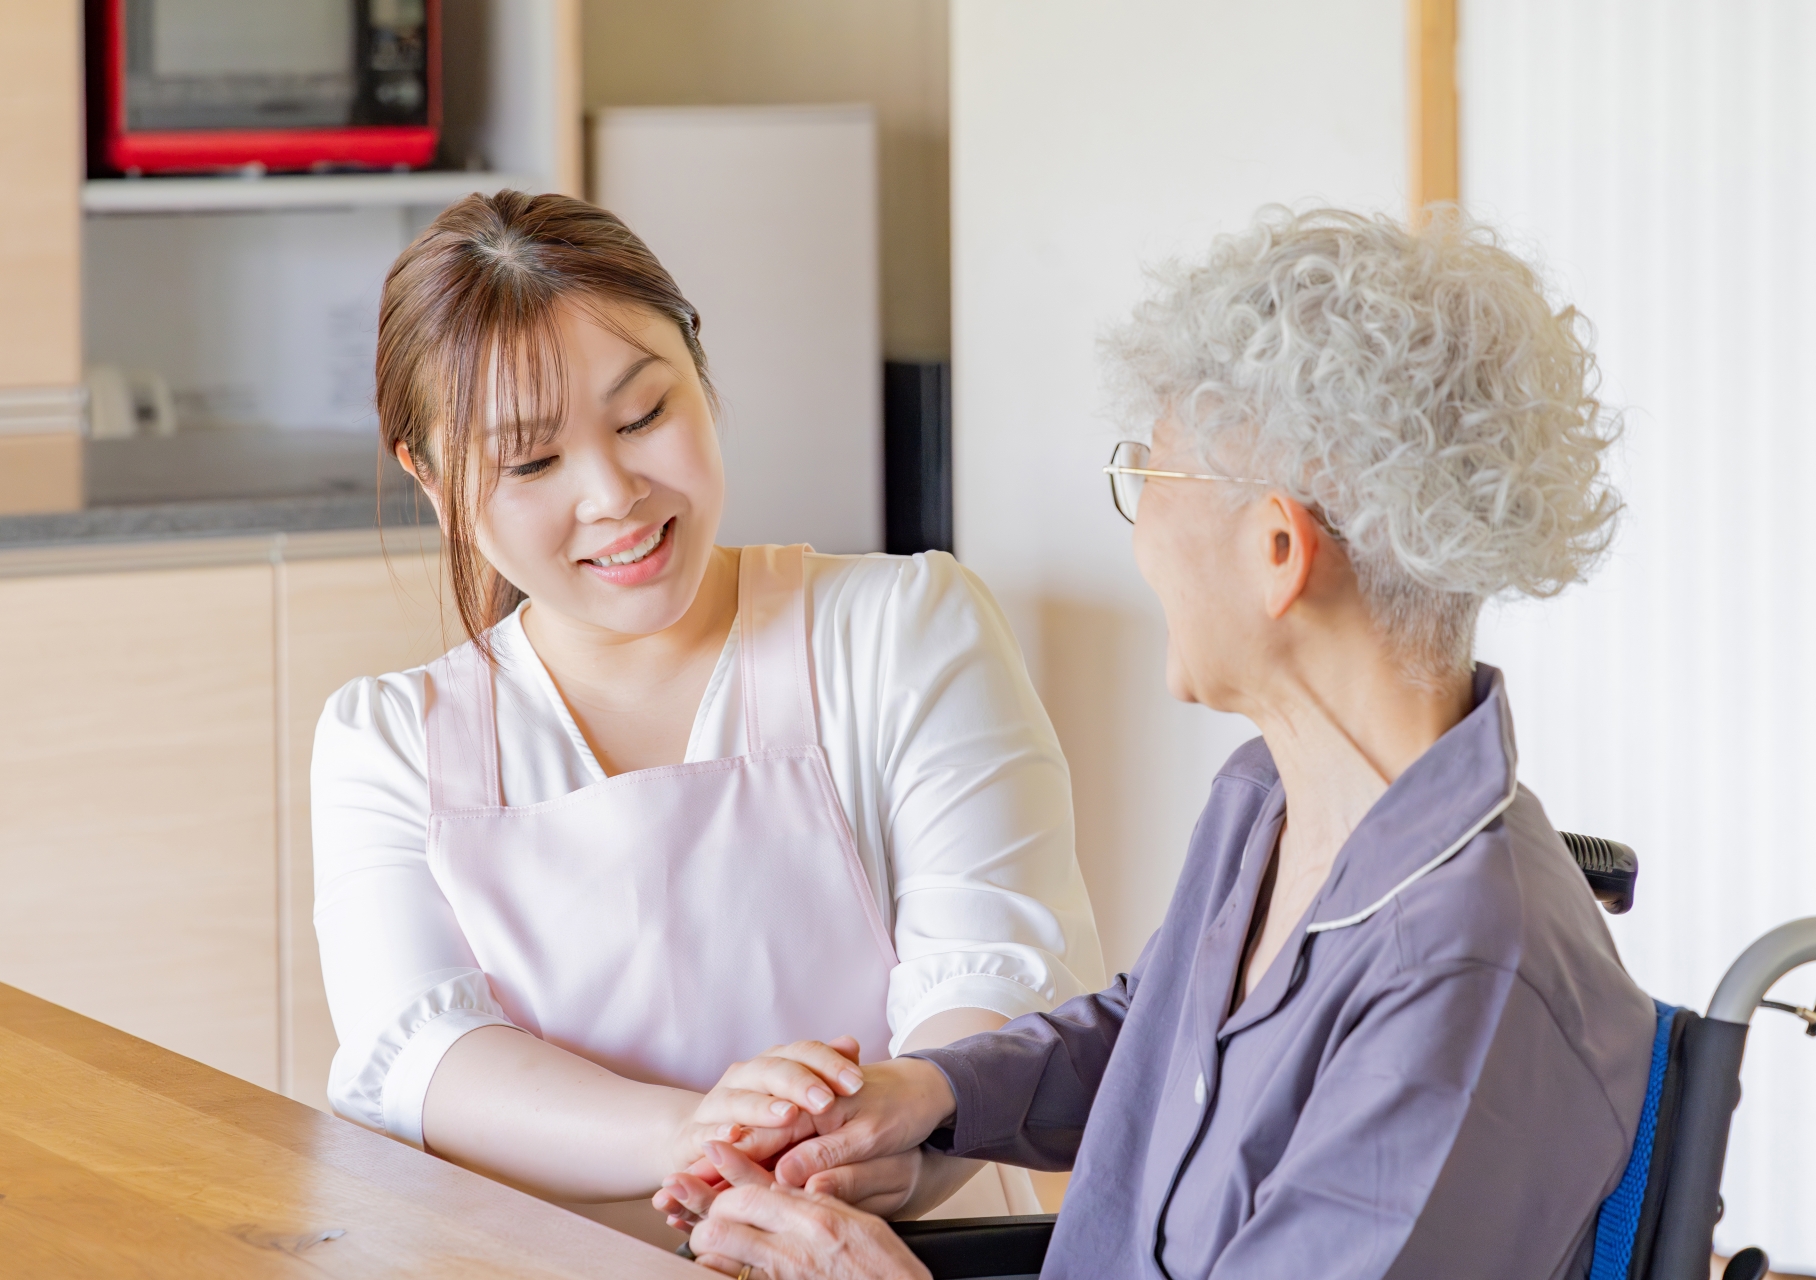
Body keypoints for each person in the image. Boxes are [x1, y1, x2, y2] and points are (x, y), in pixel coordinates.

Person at [654, 207, 1657, 1279]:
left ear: (1278, 550)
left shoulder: (1463, 973)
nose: (1136, 534)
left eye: (1154, 475)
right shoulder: (1271, 794)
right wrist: (932, 1092)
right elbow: (1164, 1032)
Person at [309, 191, 1104, 1241]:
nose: (614, 493)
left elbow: (1001, 966)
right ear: (434, 477)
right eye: (533, 461)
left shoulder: (905, 628)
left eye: (644, 415)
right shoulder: (388, 742)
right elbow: (417, 1049)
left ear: (698, 366)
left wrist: (875, 1148)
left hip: (905, 1250)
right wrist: (696, 1135)